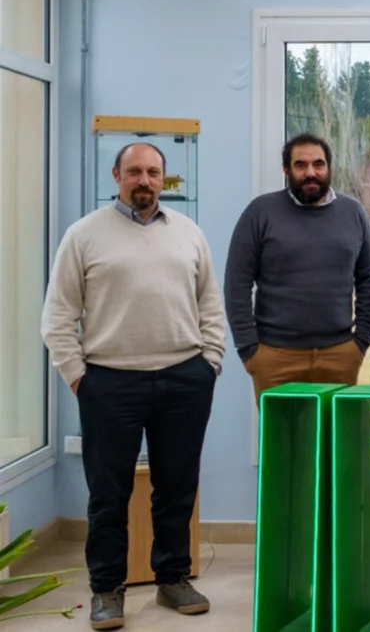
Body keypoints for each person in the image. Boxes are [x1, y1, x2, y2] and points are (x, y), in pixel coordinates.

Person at [41, 143, 226, 630]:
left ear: (163, 178)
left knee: (177, 488)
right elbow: (57, 318)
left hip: (185, 378)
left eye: (153, 172)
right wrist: (79, 379)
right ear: (116, 175)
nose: (144, 180)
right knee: (108, 494)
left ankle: (173, 579)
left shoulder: (189, 233)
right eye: (135, 172)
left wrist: (210, 363)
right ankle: (106, 590)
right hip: (109, 383)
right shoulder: (84, 236)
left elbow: (212, 305)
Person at [224, 133, 370, 398]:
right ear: (286, 170)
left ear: (329, 168)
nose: (311, 172)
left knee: (336, 438)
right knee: (283, 440)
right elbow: (236, 284)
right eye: (300, 165)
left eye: (318, 164)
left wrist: (361, 341)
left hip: (339, 355)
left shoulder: (353, 213)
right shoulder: (260, 212)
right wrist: (249, 349)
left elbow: (369, 280)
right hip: (275, 357)